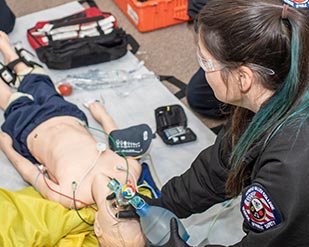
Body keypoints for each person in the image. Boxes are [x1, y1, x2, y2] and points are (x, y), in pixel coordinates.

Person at [139, 0, 309, 246]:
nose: (202, 70)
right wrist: (159, 203)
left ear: (243, 78)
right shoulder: (273, 93)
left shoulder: (287, 168)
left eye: (205, 62)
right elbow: (220, 167)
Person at [0, 31, 146, 247]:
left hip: (28, 128)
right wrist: (102, 115)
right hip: (66, 114)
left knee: (11, 100)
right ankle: (10, 54)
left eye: (116, 219)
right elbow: (116, 138)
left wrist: (7, 147)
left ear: (97, 226)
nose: (122, 209)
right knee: (39, 80)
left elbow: (29, 172)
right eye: (131, 215)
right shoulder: (129, 171)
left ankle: (10, 81)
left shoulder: (69, 196)